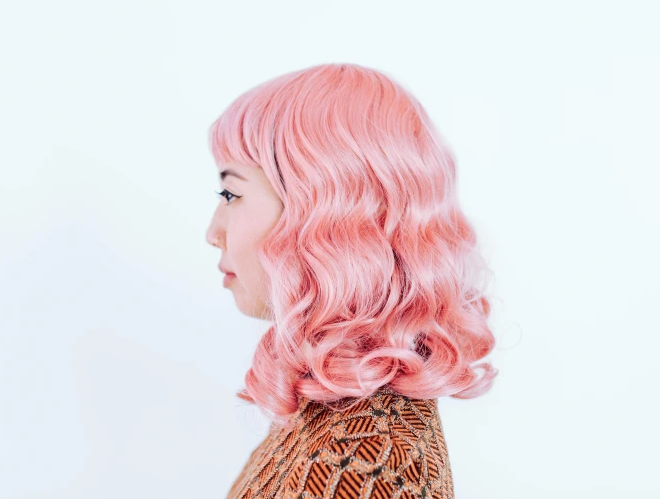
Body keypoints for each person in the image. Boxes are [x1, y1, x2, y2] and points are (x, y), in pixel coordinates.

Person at [205, 63, 498, 499]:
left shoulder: (361, 464)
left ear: (322, 214)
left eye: (231, 195)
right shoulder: (330, 413)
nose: (214, 232)